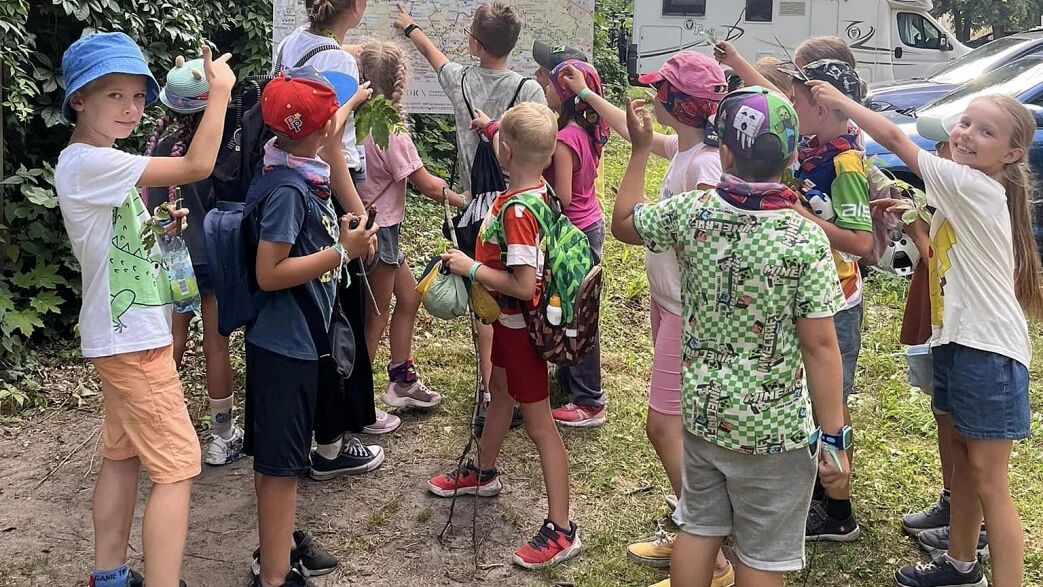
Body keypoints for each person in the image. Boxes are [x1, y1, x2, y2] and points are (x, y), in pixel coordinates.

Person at [613, 86, 851, 587]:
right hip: (775, 431)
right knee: (762, 556)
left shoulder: (691, 211)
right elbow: (820, 345)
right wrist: (833, 440)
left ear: (723, 152)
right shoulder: (804, 237)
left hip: (704, 413)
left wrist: (639, 151)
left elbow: (624, 223)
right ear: (791, 156)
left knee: (698, 529)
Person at [809, 81, 1042, 587]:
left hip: (989, 354)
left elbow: (894, 137)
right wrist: (914, 226)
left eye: (986, 132)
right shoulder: (967, 187)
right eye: (965, 123)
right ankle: (960, 566)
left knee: (990, 483)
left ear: (1011, 154)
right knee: (962, 465)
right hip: (961, 344)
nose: (967, 134)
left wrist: (842, 102)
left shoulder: (974, 185)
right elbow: (942, 257)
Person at [55, 33, 234, 587]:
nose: (130, 108)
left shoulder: (98, 161)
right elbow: (197, 164)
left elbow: (113, 239)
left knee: (122, 455)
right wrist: (220, 93)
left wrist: (159, 228)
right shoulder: (90, 161)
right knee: (178, 467)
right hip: (133, 340)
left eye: (137, 96)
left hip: (122, 334)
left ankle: (109, 575)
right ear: (79, 100)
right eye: (114, 95)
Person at [558, 52, 736, 584]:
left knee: (662, 427)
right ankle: (694, 528)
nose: (651, 97)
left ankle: (713, 557)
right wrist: (586, 94)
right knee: (685, 427)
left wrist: (637, 153)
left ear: (679, 103)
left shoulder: (705, 166)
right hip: (669, 303)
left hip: (688, 314)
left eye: (660, 91)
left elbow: (643, 225)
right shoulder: (688, 146)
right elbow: (631, 128)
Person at [719, 42, 871, 542]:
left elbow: (861, 243)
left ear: (821, 109)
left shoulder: (844, 162)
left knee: (832, 400)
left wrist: (799, 214)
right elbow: (774, 98)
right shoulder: (814, 142)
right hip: (811, 291)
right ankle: (816, 493)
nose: (789, 107)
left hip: (838, 300)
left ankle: (838, 511)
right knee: (810, 396)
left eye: (797, 101)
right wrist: (738, 64)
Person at [429, 102, 581, 570]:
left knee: (540, 426)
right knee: (499, 393)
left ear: (506, 152)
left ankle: (562, 529)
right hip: (510, 326)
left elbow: (522, 285)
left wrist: (470, 267)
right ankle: (484, 471)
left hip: (521, 331)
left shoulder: (517, 211)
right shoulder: (539, 190)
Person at [245, 67, 376, 587]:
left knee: (281, 461)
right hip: (284, 348)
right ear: (323, 132)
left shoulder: (291, 166)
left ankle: (276, 548)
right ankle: (275, 576)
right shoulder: (289, 190)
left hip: (293, 342)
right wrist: (340, 252)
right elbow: (269, 272)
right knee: (281, 467)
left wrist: (337, 240)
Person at [395, 0, 545, 397]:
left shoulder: (461, 81)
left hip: (479, 210)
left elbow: (434, 56)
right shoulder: (529, 90)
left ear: (475, 44)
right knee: (521, 288)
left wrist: (410, 27)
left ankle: (489, 387)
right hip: (522, 203)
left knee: (484, 293)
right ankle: (519, 381)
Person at [354, 40, 466, 409]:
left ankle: (401, 379)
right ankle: (357, 405)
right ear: (398, 81)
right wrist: (466, 200)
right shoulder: (391, 130)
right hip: (381, 230)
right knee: (376, 317)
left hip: (367, 226)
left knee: (410, 296)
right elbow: (427, 185)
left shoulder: (353, 118)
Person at [144, 56, 242, 467]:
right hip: (213, 259)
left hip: (173, 260)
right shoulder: (217, 147)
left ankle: (154, 428)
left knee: (173, 340)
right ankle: (223, 435)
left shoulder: (158, 149)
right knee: (216, 345)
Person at [541, 59, 609, 426]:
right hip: (590, 224)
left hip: (575, 234)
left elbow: (563, 197)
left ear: (565, 94)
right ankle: (570, 378)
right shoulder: (586, 129)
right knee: (577, 308)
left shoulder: (566, 138)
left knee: (577, 315)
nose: (545, 89)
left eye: (551, 84)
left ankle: (589, 400)